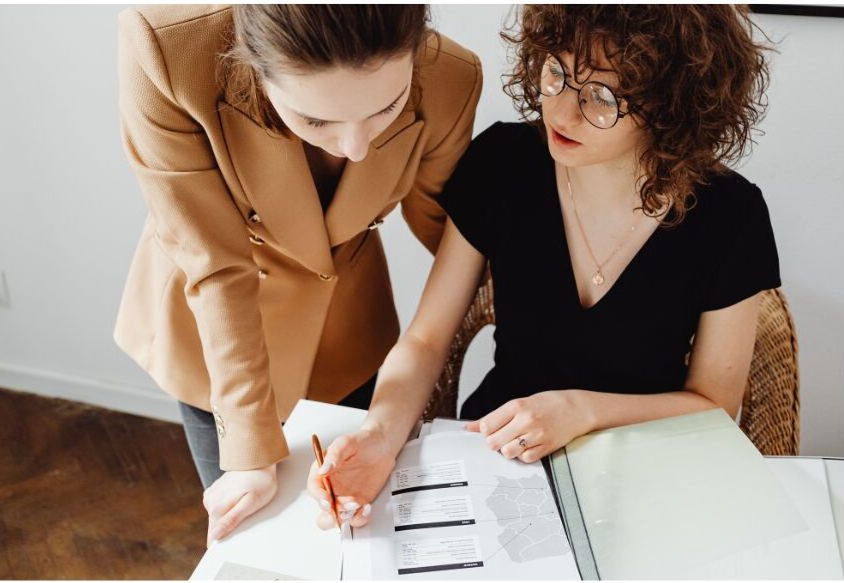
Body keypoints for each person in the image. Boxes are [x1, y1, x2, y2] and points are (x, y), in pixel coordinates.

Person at [308, 4, 779, 528]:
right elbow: (425, 340)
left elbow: (713, 403)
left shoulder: (730, 214)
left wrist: (582, 411)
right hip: (496, 454)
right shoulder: (504, 163)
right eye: (556, 71)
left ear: (672, 105)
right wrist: (378, 435)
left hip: (643, 468)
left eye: (602, 97)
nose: (561, 112)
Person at [114, 4, 482, 545]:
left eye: (387, 107)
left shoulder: (451, 78)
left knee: (355, 533)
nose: (356, 147)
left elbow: (448, 232)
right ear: (253, 67)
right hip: (215, 336)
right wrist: (249, 451)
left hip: (347, 325)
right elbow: (213, 261)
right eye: (316, 121)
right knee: (255, 540)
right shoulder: (168, 51)